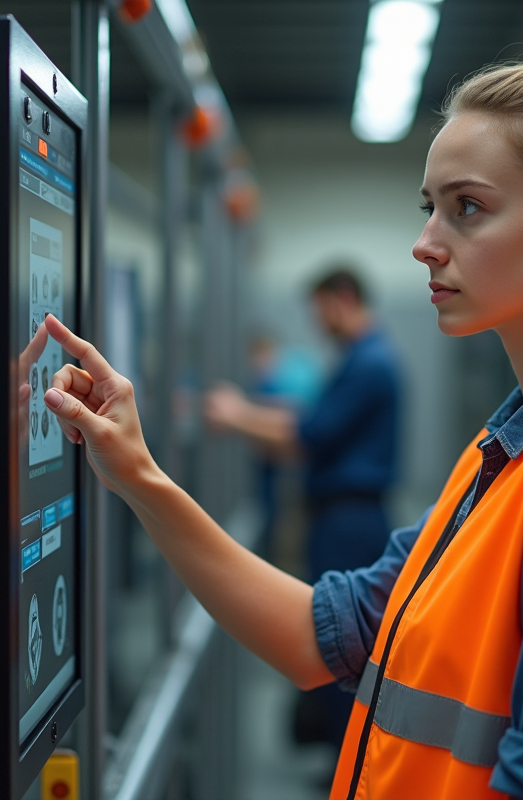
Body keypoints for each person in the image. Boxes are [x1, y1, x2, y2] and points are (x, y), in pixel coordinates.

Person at [40, 38, 523, 800]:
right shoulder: (510, 448)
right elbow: (316, 636)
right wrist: (137, 474)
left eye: (468, 208)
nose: (425, 243)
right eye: (430, 207)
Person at [205, 269, 401, 749]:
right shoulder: (360, 359)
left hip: (349, 520)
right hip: (342, 516)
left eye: (318, 309)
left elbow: (310, 436)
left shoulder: (370, 364)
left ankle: (343, 756)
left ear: (342, 299)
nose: (315, 322)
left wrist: (237, 416)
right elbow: (310, 423)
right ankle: (339, 749)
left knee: (339, 640)